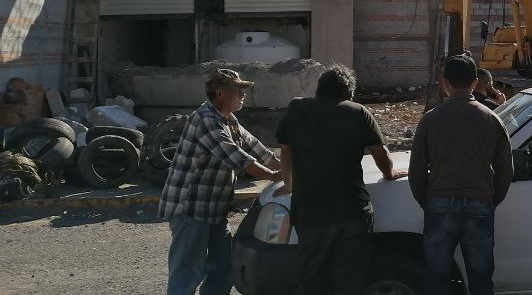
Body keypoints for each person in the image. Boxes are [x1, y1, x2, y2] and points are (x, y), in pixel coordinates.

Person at [276, 64, 407, 294]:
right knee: (349, 280)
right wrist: (389, 174)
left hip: (310, 212)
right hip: (352, 212)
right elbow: (381, 154)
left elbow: (285, 151)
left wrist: (288, 184)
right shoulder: (358, 112)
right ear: (349, 92)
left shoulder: (296, 108)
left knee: (312, 280)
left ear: (319, 88)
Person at [159, 69, 281, 295]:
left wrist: (284, 166)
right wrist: (276, 176)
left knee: (223, 269)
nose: (244, 95)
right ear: (220, 93)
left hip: (214, 210)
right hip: (191, 210)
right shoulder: (205, 119)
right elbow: (238, 158)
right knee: (187, 273)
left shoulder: (229, 120)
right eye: (239, 91)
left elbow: (257, 148)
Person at [409, 55, 514, 295]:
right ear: (476, 83)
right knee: (480, 277)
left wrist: (429, 202)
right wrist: (490, 200)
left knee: (436, 277)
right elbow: (505, 170)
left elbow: (416, 172)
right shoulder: (492, 119)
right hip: (479, 203)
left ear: (445, 83)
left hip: (439, 203)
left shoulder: (430, 120)